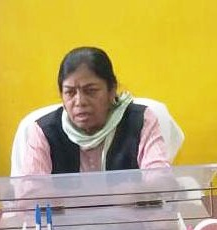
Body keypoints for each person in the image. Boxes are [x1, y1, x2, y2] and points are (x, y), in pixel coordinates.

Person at [23, 46, 171, 174]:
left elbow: (159, 180)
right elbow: (31, 192)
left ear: (112, 90)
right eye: (70, 92)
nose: (80, 102)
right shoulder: (43, 132)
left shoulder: (140, 121)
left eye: (91, 91)